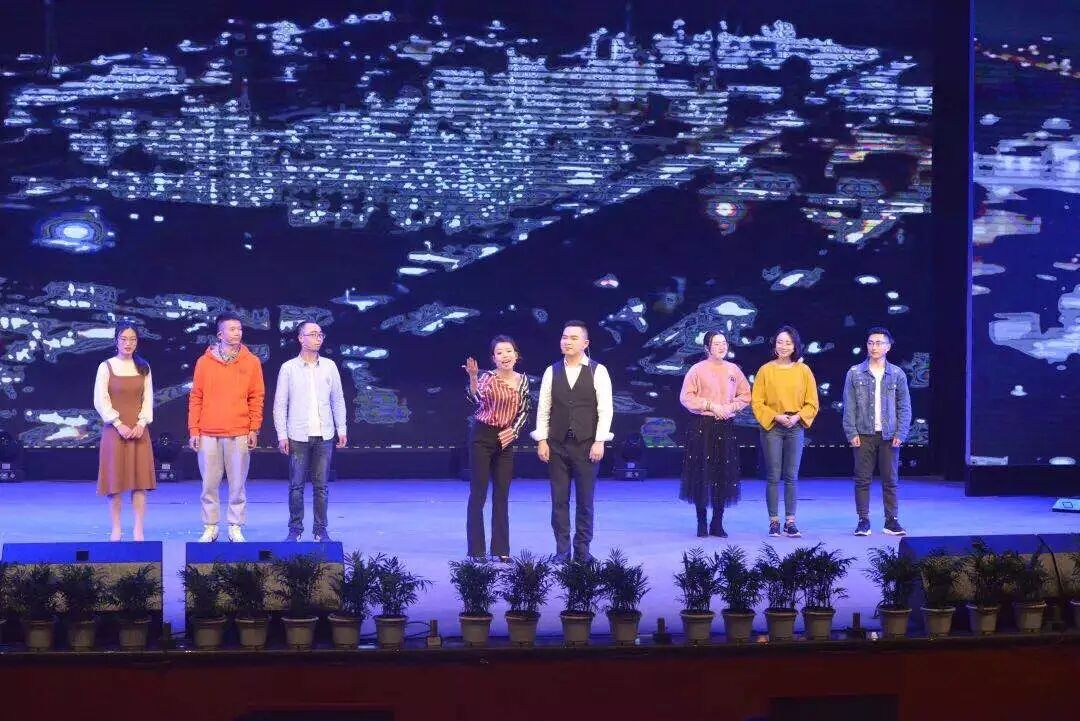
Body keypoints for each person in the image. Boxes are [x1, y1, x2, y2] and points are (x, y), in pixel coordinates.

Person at [532, 320, 614, 562]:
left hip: (586, 445)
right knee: (559, 501)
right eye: (564, 337)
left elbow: (605, 409)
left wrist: (599, 441)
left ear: (585, 343)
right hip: (557, 445)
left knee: (585, 501)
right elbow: (543, 409)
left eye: (573, 338)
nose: (567, 341)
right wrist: (542, 440)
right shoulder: (552, 371)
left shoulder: (598, 371)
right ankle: (562, 550)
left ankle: (582, 550)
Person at [188, 312, 265, 543]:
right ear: (220, 334)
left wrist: (254, 428)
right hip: (208, 432)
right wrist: (194, 429)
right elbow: (196, 397)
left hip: (239, 431)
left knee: (237, 484)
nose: (237, 333)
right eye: (232, 329)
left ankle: (235, 526)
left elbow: (256, 397)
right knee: (209, 484)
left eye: (239, 329)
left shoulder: (251, 361)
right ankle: (210, 526)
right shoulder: (204, 362)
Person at [273, 321, 347, 542]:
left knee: (321, 487)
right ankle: (295, 529)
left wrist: (341, 428)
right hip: (297, 435)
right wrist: (282, 435)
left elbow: (338, 399)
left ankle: (320, 530)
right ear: (300, 338)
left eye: (320, 334)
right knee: (296, 486)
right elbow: (280, 404)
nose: (318, 338)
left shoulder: (329, 366)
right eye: (313, 334)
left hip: (325, 434)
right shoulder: (288, 368)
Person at [463, 335, 531, 561]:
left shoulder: (523, 381)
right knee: (479, 493)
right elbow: (476, 399)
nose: (505, 356)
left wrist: (514, 431)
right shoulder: (487, 378)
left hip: (506, 438)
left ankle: (501, 549)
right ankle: (476, 550)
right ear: (493, 358)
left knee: (502, 494)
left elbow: (525, 410)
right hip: (482, 436)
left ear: (516, 355)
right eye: (499, 353)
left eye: (508, 351)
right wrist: (473, 377)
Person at [678, 330, 751, 538]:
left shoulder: (733, 369)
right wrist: (710, 405)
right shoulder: (697, 369)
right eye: (716, 343)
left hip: (725, 426)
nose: (721, 346)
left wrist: (730, 407)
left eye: (724, 343)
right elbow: (686, 397)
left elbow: (746, 395)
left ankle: (717, 523)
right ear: (707, 348)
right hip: (702, 426)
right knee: (701, 474)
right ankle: (701, 522)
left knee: (723, 474)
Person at [842, 327, 911, 537]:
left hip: (889, 435)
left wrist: (901, 432)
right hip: (863, 434)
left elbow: (904, 406)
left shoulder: (897, 374)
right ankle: (863, 520)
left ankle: (891, 520)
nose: (874, 347)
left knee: (890, 481)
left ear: (888, 347)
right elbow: (849, 406)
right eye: (871, 343)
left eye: (879, 343)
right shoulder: (854, 372)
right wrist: (851, 432)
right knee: (862, 480)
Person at [751, 325, 818, 538]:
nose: (783, 346)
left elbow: (812, 402)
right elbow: (757, 402)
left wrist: (797, 417)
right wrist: (776, 416)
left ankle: (790, 521)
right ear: (774, 345)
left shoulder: (803, 371)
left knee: (791, 476)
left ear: (795, 346)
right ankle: (774, 521)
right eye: (780, 342)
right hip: (773, 426)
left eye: (788, 342)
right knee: (773, 476)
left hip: (795, 426)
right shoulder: (765, 370)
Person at [94, 322, 156, 541]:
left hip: (139, 431)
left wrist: (141, 423)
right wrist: (118, 423)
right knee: (115, 482)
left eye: (132, 339)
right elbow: (101, 400)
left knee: (140, 483)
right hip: (115, 431)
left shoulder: (144, 367)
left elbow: (148, 399)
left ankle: (138, 528)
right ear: (116, 341)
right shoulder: (106, 367)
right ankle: (116, 528)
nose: (128, 343)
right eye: (123, 339)